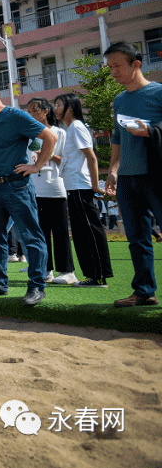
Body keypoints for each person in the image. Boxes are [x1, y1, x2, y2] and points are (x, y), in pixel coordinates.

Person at [0, 77, 56, 306]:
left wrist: (36, 166)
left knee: (30, 235)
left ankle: (37, 286)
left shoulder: (15, 117)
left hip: (17, 185)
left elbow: (50, 136)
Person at [103, 41, 162, 308]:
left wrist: (150, 131)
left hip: (156, 174)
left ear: (135, 64)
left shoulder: (159, 93)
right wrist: (113, 171)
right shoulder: (120, 99)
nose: (113, 72)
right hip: (127, 178)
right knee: (136, 239)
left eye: (117, 66)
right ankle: (143, 292)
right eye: (110, 67)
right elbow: (117, 138)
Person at [53, 93, 112, 288]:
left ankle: (99, 275)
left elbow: (91, 157)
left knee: (89, 231)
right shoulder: (71, 129)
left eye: (59, 104)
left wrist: (95, 186)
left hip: (81, 187)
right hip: (73, 186)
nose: (56, 108)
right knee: (80, 233)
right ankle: (93, 275)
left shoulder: (77, 127)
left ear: (70, 107)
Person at [25, 98, 78, 285]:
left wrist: (47, 155)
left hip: (55, 187)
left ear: (46, 111)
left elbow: (66, 160)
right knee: (40, 232)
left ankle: (67, 271)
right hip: (34, 189)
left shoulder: (59, 133)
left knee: (61, 230)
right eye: (29, 111)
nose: (31, 114)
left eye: (35, 110)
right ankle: (45, 269)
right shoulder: (31, 136)